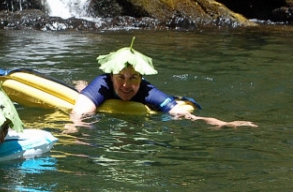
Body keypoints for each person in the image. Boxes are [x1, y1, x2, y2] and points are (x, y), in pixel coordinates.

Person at [70, 39, 257, 128]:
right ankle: (80, 84)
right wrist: (76, 132)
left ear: (141, 78)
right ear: (111, 76)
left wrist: (224, 124)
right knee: (81, 90)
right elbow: (79, 113)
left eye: (133, 78)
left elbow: (184, 115)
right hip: (99, 93)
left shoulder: (148, 92)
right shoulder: (102, 84)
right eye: (121, 77)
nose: (126, 85)